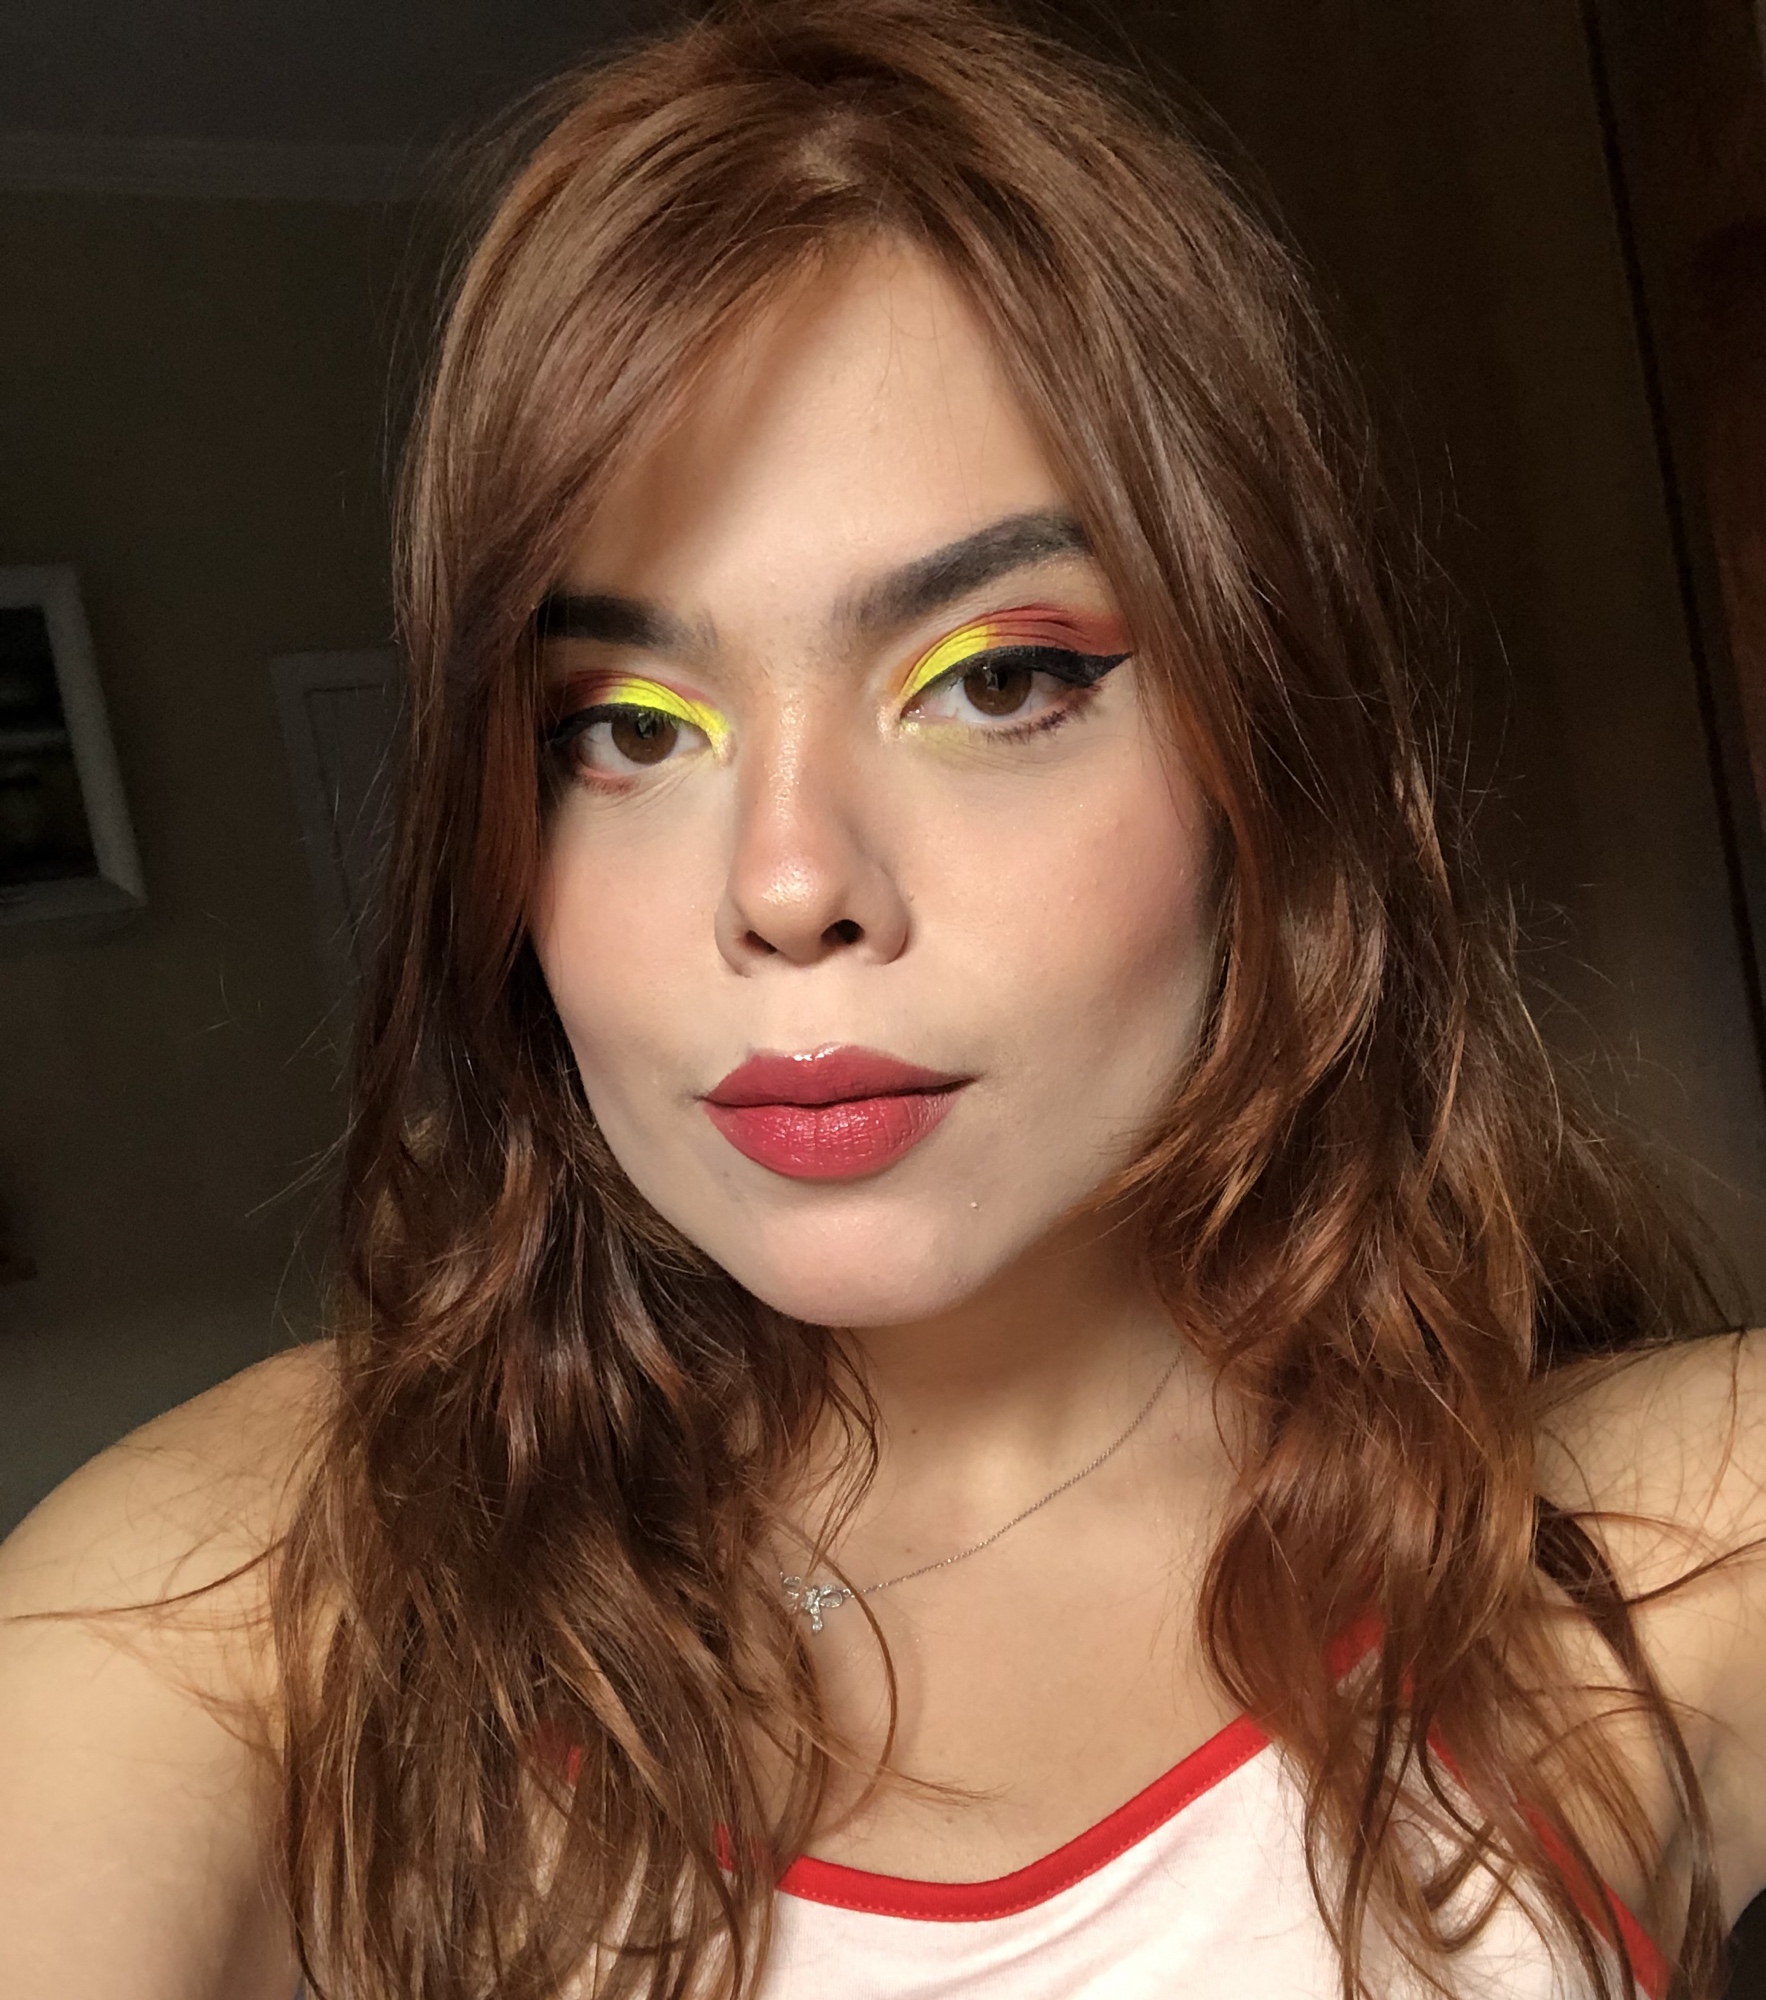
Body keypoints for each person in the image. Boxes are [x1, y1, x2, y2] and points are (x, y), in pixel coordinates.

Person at [2, 2, 1763, 1995]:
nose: (784, 885)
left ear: (1268, 755)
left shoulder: (1665, 1552)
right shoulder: (286, 1590)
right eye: (622, 726)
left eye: (997, 680)